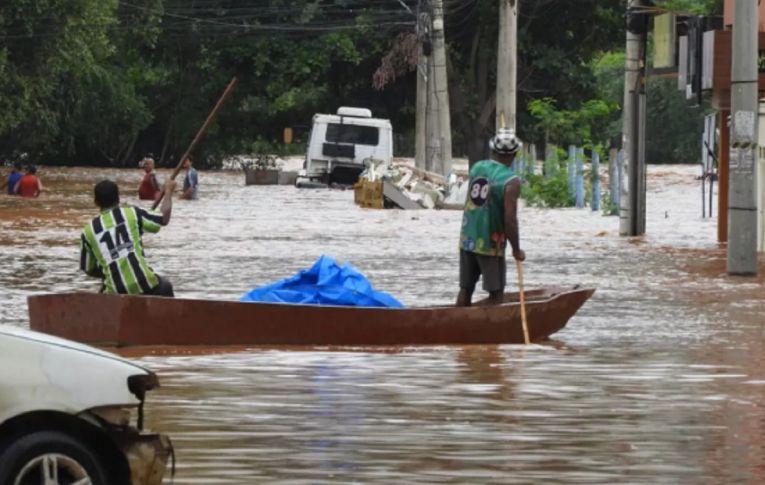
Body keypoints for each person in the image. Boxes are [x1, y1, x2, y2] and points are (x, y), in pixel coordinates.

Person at [456, 128, 526, 307]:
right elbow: (510, 220)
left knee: (466, 288)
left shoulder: (477, 167)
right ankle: (488, 329)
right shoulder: (511, 181)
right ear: (514, 154)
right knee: (496, 293)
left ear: (493, 150)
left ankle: (458, 324)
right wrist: (516, 249)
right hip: (490, 243)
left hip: (467, 238)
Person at [80, 179, 176, 296]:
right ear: (118, 199)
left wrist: (110, 267)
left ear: (96, 202)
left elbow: (88, 268)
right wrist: (168, 192)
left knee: (104, 291)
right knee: (166, 286)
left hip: (113, 292)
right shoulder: (132, 214)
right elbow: (163, 219)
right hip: (145, 284)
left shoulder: (88, 231)